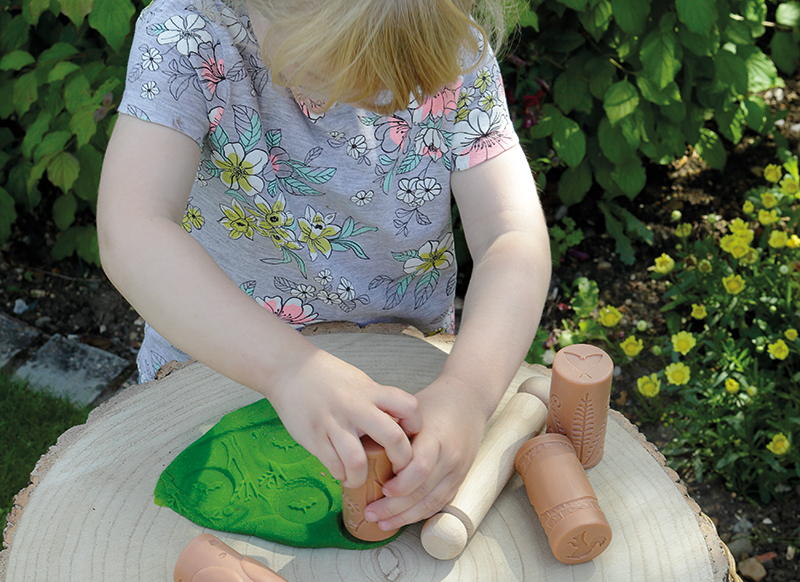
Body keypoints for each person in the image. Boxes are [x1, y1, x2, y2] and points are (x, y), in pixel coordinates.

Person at [97, 0, 551, 533]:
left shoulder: (449, 51)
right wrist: (289, 369)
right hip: (214, 377)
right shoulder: (190, 34)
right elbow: (131, 227)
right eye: (326, 65)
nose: (366, 92)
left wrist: (469, 393)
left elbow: (511, 236)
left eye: (386, 77)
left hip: (403, 390)